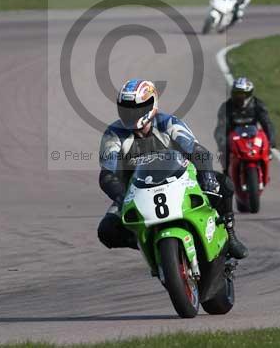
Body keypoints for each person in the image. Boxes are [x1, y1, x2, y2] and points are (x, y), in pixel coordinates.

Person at [97, 78, 248, 259]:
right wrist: (120, 195)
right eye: (126, 108)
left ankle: (230, 237)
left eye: (137, 108)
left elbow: (198, 151)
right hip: (135, 192)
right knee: (106, 230)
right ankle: (148, 243)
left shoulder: (169, 123)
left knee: (225, 184)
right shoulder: (114, 133)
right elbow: (107, 175)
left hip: (180, 182)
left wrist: (207, 177)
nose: (131, 114)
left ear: (152, 105)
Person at [214, 77, 276, 171]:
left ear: (248, 94)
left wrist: (271, 141)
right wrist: (222, 143)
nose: (239, 97)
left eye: (242, 94)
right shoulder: (227, 107)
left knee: (264, 141)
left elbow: (267, 123)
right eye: (237, 94)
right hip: (233, 137)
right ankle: (227, 175)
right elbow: (220, 127)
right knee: (225, 155)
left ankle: (263, 166)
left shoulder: (258, 104)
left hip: (253, 136)